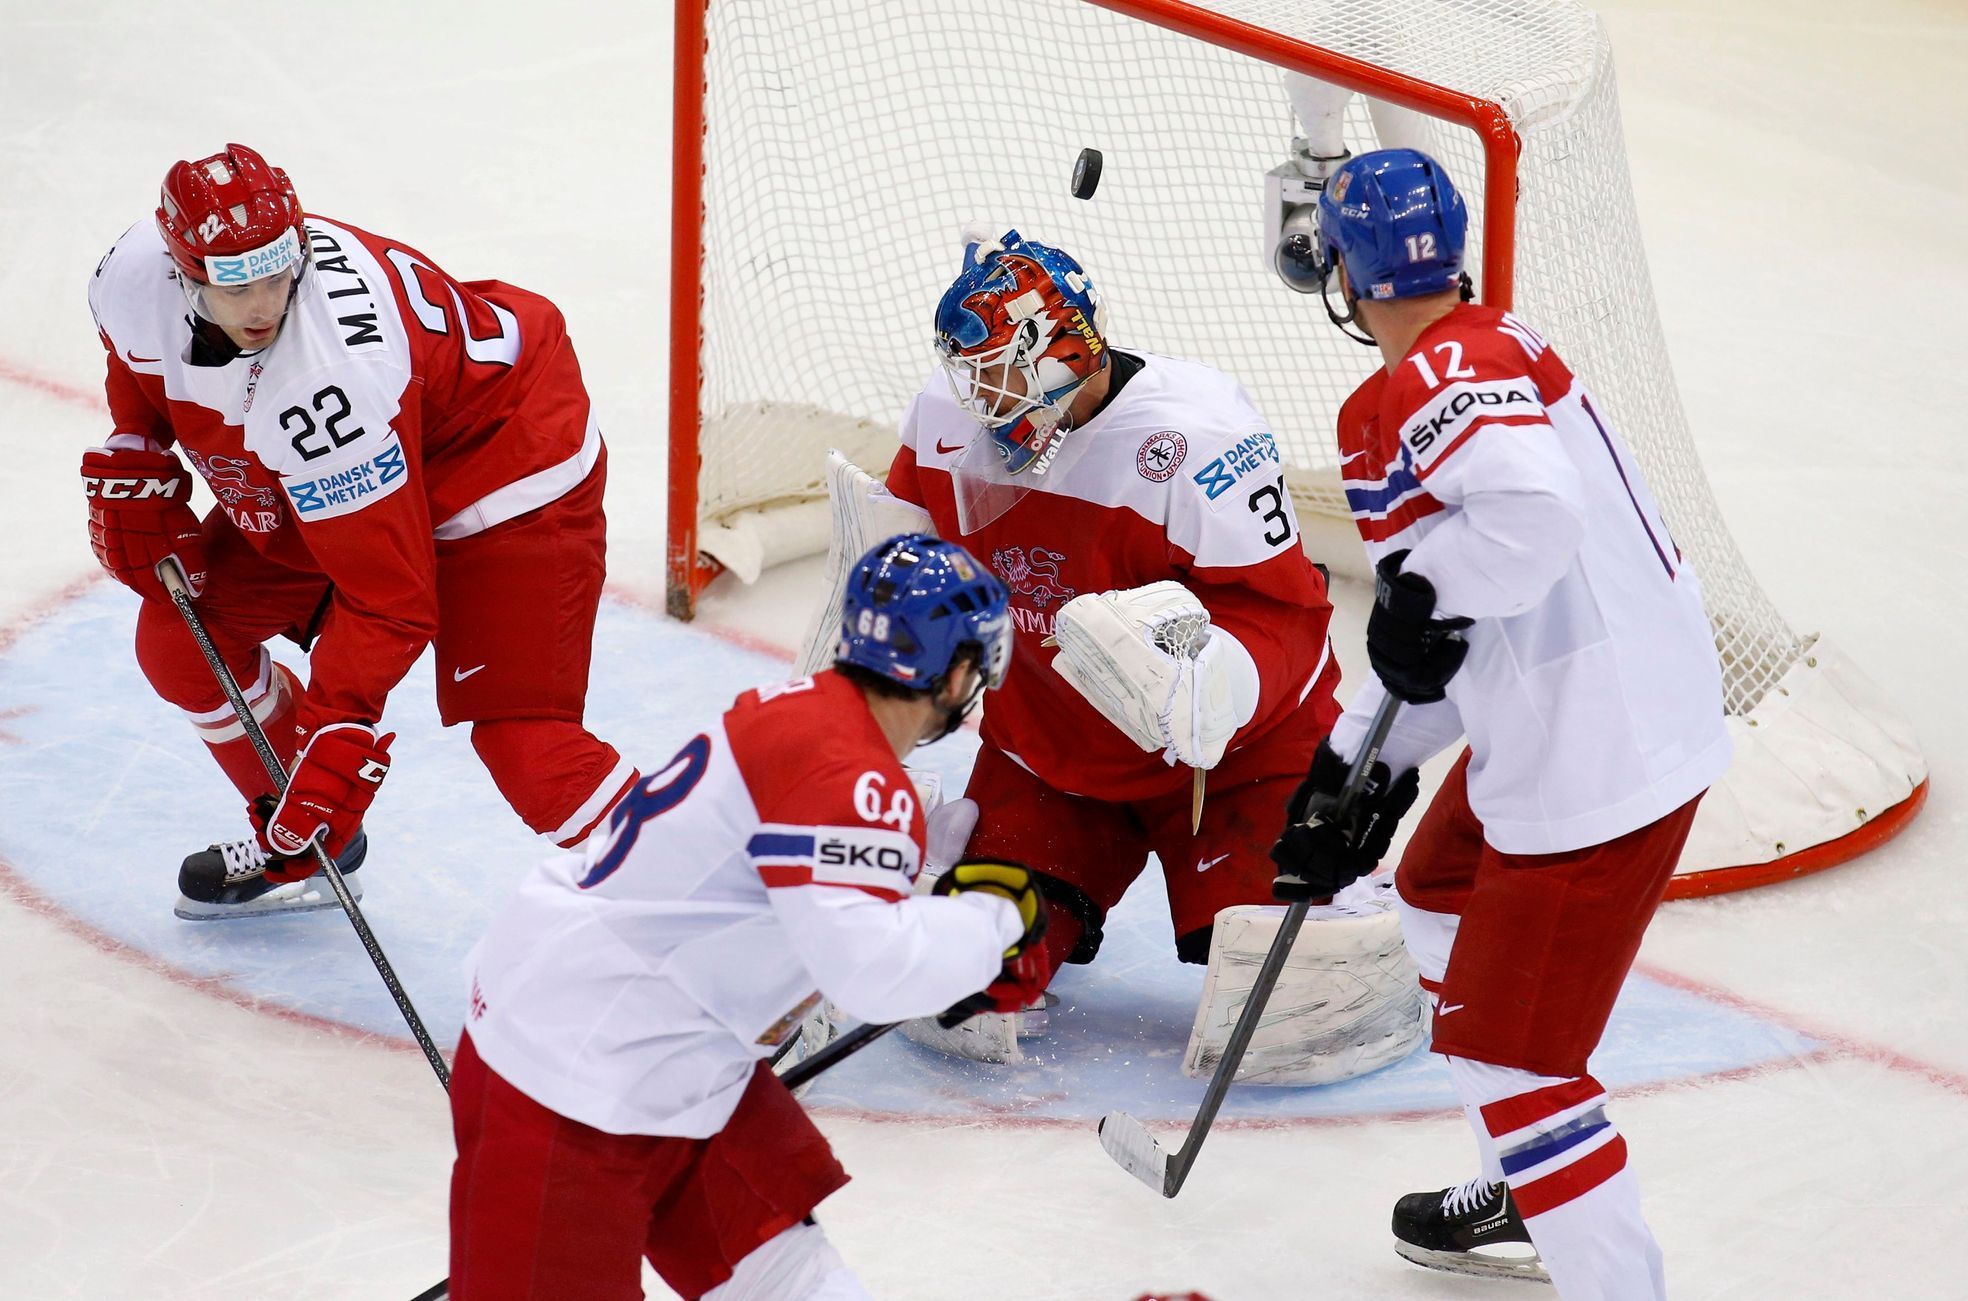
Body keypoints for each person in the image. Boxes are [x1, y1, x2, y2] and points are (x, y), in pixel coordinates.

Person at [1271, 147, 1732, 1297]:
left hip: (1595, 763)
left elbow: (1532, 517)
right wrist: (1355, 769)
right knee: (1433, 894)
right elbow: (1451, 637)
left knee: (1510, 1062)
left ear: (1344, 271)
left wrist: (1420, 599)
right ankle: (1527, 1191)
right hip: (1597, 717)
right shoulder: (1487, 348)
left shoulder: (1439, 372)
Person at [801, 228, 1423, 1080]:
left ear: (1067, 354)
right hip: (1048, 754)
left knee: (1287, 1006)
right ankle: (1047, 887)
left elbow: (1287, 614)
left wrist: (1209, 687)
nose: (986, 407)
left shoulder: (1197, 437)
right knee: (963, 986)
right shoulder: (952, 419)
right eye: (974, 380)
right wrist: (859, 732)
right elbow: (902, 567)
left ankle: (1353, 900)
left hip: (1232, 760)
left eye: (1007, 380)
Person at [449, 534, 1045, 1300]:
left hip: (677, 1055)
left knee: (787, 1278)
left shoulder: (807, 714)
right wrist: (991, 930)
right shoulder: (851, 776)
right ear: (958, 671)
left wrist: (929, 906)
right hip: (572, 1077)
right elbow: (868, 973)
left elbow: (793, 884)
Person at [83, 143, 639, 918]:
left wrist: (334, 735)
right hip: (373, 452)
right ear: (182, 267)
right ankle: (307, 839)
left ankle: (740, 907)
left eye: (278, 275)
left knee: (529, 749)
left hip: (501, 461)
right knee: (181, 640)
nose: (263, 306)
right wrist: (134, 440)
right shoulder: (132, 273)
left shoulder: (324, 377)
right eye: (237, 284)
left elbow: (390, 598)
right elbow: (137, 365)